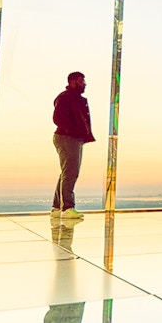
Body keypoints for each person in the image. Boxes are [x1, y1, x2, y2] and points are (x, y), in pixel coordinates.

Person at [52, 71, 95, 220]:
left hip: (71, 138)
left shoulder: (76, 99)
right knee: (71, 172)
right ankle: (67, 208)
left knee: (67, 171)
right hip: (67, 137)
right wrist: (73, 130)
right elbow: (57, 118)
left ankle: (57, 207)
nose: (84, 84)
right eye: (81, 81)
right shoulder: (65, 97)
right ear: (73, 82)